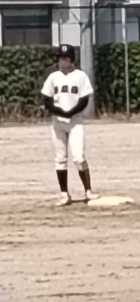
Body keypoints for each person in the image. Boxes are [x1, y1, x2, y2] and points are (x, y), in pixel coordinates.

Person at [41, 44, 99, 206]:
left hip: (75, 121)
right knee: (60, 158)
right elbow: (47, 101)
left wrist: (71, 112)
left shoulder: (80, 76)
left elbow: (84, 100)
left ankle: (88, 190)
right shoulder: (53, 77)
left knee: (79, 157)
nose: (63, 61)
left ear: (72, 59)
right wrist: (60, 112)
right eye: (61, 58)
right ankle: (64, 194)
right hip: (57, 123)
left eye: (66, 58)